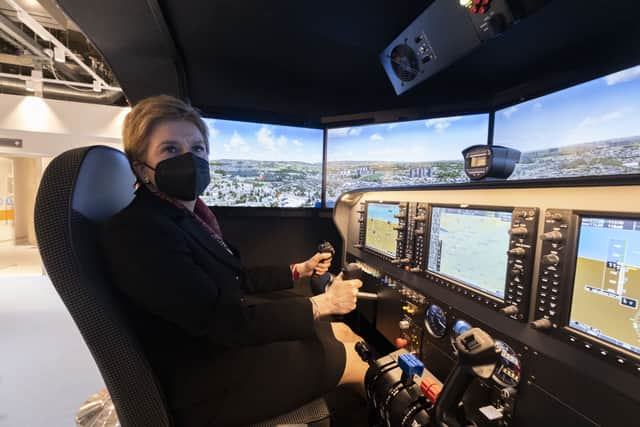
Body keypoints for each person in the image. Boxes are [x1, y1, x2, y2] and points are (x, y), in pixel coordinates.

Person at [100, 95, 369, 426]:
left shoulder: (187, 216)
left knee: (342, 332)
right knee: (358, 362)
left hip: (215, 348)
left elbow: (235, 278)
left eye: (198, 149)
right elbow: (225, 321)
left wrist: (299, 270)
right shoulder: (140, 230)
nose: (189, 158)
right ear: (142, 166)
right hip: (204, 381)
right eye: (170, 149)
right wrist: (321, 303)